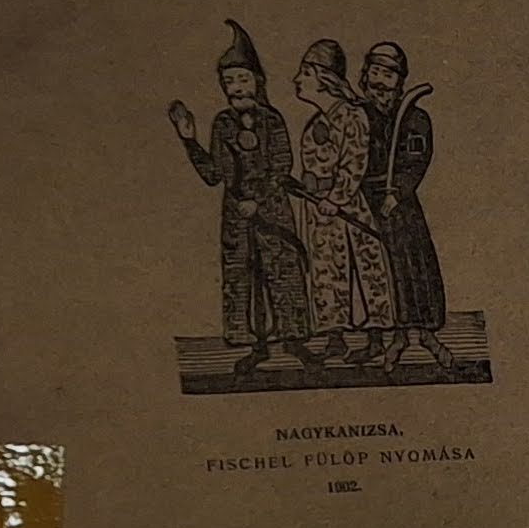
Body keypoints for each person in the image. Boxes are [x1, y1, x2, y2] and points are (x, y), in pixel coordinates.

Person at [164, 23, 311, 374]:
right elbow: (214, 175)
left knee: (283, 273)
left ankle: (294, 342)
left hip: (272, 212)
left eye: (242, 79)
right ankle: (256, 346)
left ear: (257, 81)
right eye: (229, 82)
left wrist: (258, 201)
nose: (236, 87)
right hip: (237, 219)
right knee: (243, 277)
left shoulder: (272, 120)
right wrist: (189, 140)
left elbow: (281, 167)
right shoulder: (223, 124)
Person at [287, 39, 394, 366]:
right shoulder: (314, 122)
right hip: (318, 210)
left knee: (364, 269)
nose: (297, 80)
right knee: (325, 271)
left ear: (324, 78)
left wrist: (336, 198)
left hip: (346, 208)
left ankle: (375, 339)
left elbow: (354, 164)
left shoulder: (352, 116)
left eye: (305, 73)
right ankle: (335, 338)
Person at [356, 42, 447, 366]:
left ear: (399, 80)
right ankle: (379, 338)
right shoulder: (357, 116)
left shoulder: (415, 118)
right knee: (374, 270)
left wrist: (396, 195)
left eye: (388, 74)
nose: (380, 81)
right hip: (363, 200)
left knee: (411, 265)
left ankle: (422, 331)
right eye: (375, 72)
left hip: (400, 203)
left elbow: (416, 162)